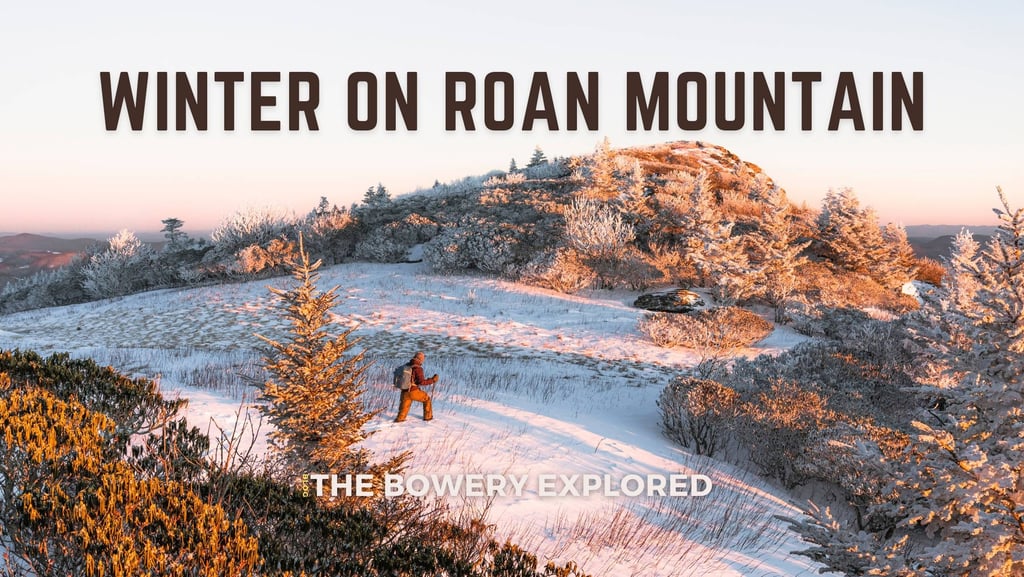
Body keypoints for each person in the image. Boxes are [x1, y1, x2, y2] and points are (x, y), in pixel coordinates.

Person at [395, 351, 438, 422]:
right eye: (423, 359)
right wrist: (432, 380)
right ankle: (428, 417)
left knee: (404, 408)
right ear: (421, 359)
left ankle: (400, 420)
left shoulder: (406, 365)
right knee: (427, 399)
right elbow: (421, 382)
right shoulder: (418, 368)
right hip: (413, 391)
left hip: (404, 391)